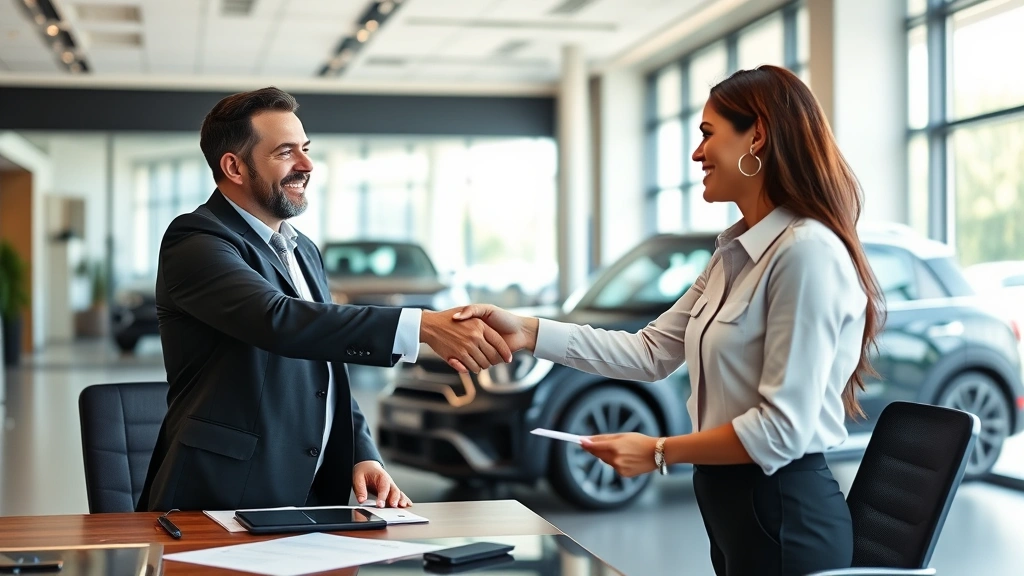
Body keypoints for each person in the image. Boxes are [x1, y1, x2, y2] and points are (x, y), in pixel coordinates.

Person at [452, 65, 883, 576]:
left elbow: (781, 431)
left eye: (707, 134)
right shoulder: (733, 254)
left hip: (783, 513)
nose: (698, 153)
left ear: (758, 136)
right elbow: (650, 352)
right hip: (732, 508)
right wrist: (527, 331)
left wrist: (658, 452)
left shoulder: (806, 253)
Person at [137, 87, 512, 512]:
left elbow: (325, 363)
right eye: (285, 152)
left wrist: (361, 450)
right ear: (234, 167)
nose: (307, 165)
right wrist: (422, 326)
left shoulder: (303, 249)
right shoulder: (197, 241)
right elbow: (277, 320)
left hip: (311, 491)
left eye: (306, 149)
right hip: (222, 494)